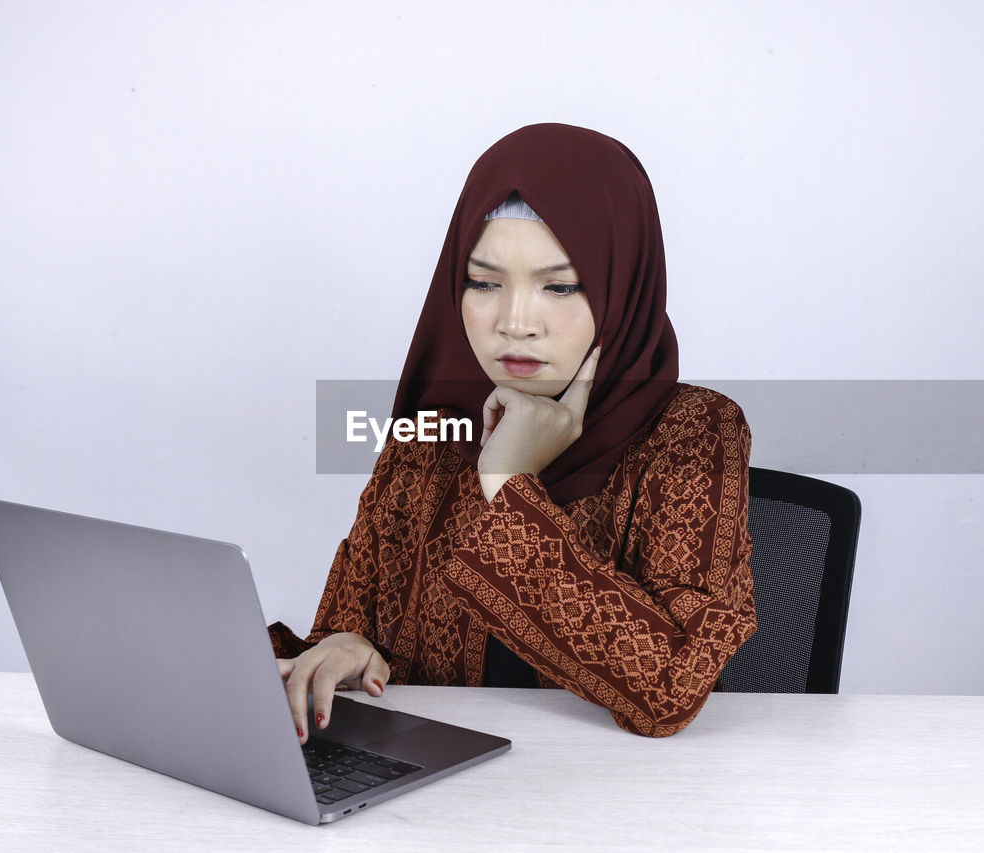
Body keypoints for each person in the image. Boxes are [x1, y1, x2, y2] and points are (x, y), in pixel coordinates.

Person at [268, 123, 756, 739]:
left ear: (621, 286)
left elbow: (668, 690)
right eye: (484, 283)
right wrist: (344, 648)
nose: (515, 323)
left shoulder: (693, 432)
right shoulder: (433, 432)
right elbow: (345, 631)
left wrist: (507, 482)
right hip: (437, 798)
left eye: (560, 286)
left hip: (613, 804)